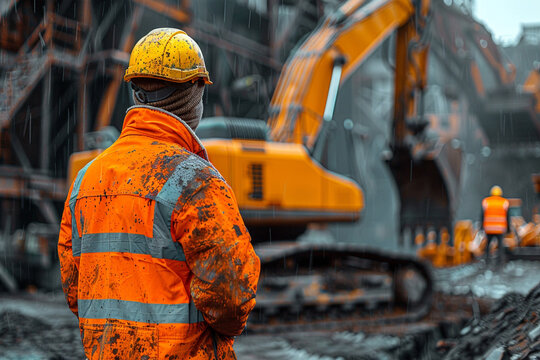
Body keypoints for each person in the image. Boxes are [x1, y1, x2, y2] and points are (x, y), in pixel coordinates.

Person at [58, 28, 261, 360]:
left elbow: (74, 288)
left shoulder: (85, 180)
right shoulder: (196, 181)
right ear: (196, 91)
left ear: (135, 91)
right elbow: (230, 298)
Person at [481, 185, 510, 265]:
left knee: (488, 245)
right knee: (500, 245)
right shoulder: (504, 202)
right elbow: (507, 217)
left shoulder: (486, 201)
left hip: (489, 228)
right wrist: (508, 229)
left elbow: (482, 216)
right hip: (499, 229)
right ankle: (500, 260)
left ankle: (487, 259)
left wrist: (481, 227)